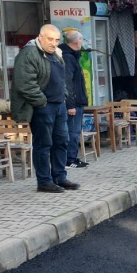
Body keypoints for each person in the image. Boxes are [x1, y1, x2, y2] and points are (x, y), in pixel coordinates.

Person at [11, 24, 80, 194]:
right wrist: (42, 102)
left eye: (57, 40)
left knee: (62, 141)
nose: (54, 43)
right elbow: (25, 84)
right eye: (50, 39)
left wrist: (63, 96)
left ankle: (59, 177)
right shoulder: (28, 54)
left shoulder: (56, 53)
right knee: (44, 144)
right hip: (43, 107)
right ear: (40, 37)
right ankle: (44, 181)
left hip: (59, 106)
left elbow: (61, 79)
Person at [60, 28, 90, 168]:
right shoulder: (68, 57)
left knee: (74, 130)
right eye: (81, 39)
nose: (82, 42)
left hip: (77, 100)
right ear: (76, 41)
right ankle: (69, 160)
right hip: (73, 102)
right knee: (72, 131)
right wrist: (70, 104)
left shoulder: (72, 55)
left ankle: (71, 158)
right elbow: (67, 83)